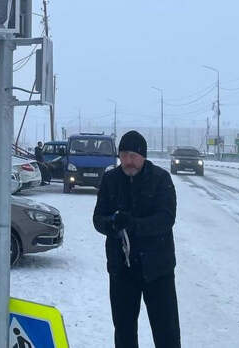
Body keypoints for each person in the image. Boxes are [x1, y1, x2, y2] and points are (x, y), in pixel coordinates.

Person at [93, 130, 180, 348]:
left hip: (157, 270)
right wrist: (112, 223)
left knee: (166, 332)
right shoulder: (111, 180)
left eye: (133, 155)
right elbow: (98, 218)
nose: (128, 161)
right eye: (123, 155)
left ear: (143, 156)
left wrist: (134, 224)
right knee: (124, 332)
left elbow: (166, 219)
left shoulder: (160, 179)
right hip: (122, 270)